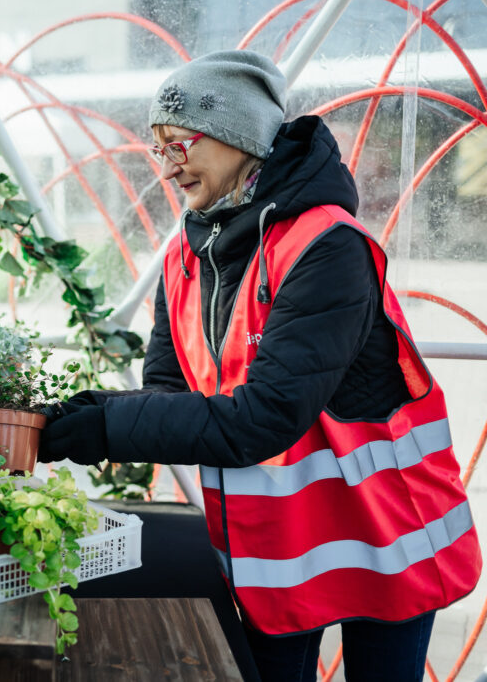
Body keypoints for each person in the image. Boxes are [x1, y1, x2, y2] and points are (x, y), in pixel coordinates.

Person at [40, 50, 481, 681]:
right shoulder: (183, 257)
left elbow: (263, 419)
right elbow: (167, 394)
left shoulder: (328, 247)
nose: (167, 167)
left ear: (238, 135)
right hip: (278, 550)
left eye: (179, 143)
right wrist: (69, 417)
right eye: (157, 147)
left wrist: (96, 429)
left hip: (386, 539)